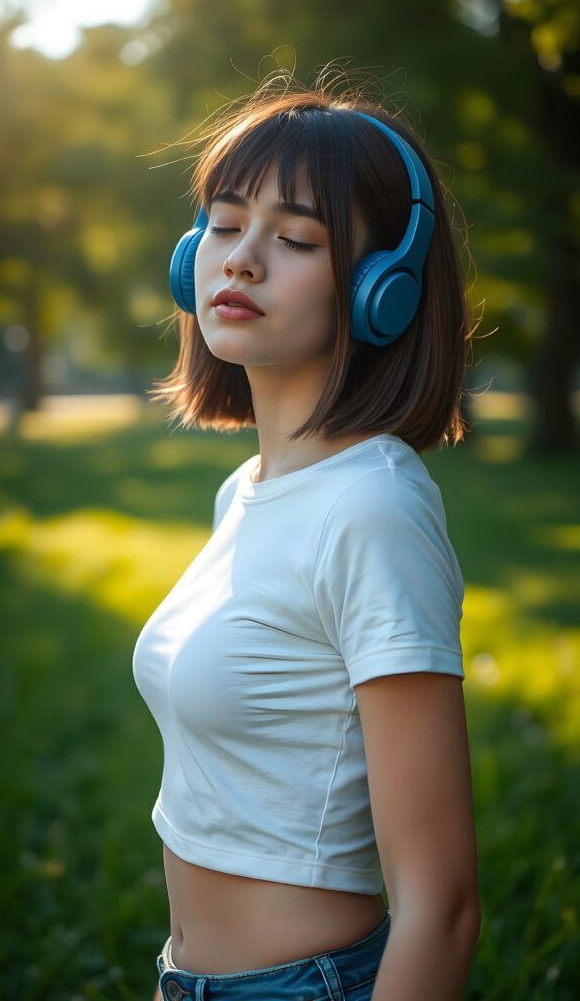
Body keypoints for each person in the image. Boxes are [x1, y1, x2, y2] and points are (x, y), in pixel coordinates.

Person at [133, 65, 481, 1001]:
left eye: (293, 238)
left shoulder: (372, 507)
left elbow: (441, 904)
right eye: (224, 223)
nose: (240, 258)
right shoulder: (247, 489)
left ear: (382, 289)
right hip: (187, 982)